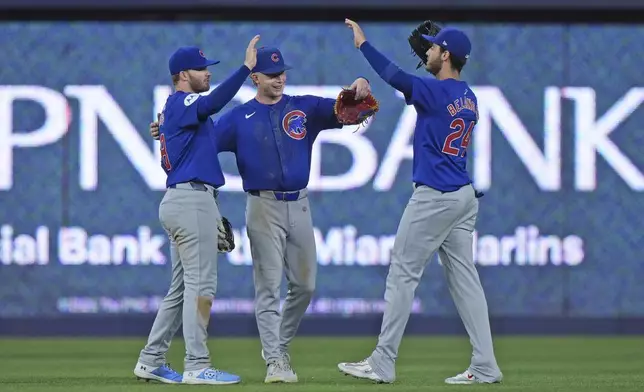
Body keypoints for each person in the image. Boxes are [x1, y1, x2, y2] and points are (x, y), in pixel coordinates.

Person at [149, 46, 371, 383]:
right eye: (270, 74)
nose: (279, 79)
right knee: (267, 288)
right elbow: (199, 141)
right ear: (255, 78)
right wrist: (167, 128)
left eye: (282, 73)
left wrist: (360, 84)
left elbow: (348, 109)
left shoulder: (304, 107)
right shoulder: (238, 118)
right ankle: (275, 360)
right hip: (262, 205)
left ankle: (276, 346)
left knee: (305, 286)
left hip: (299, 204)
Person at [337, 19, 503, 385]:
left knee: (402, 273)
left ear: (446, 55)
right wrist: (435, 56)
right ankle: (486, 365)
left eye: (432, 48)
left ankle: (383, 361)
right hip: (462, 196)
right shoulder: (468, 97)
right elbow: (430, 80)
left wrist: (363, 44)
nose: (424, 51)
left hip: (435, 196)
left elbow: (395, 76)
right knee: (466, 282)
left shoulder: (435, 93)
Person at [133, 35, 260, 385]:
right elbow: (215, 101)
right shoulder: (183, 102)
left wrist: (165, 128)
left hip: (181, 200)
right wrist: (245, 69)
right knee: (202, 286)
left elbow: (202, 125)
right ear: (182, 74)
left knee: (180, 289)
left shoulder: (178, 112)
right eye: (201, 69)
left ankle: (151, 359)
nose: (207, 74)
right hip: (191, 201)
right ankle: (197, 364)